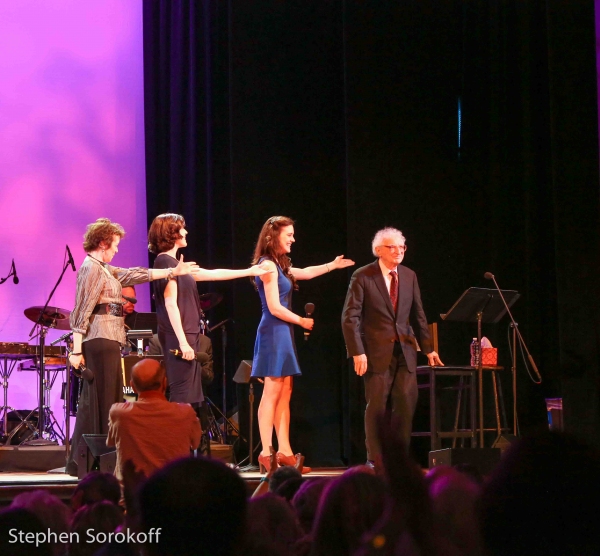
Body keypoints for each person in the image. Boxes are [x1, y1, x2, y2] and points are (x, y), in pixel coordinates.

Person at [67, 218, 199, 476]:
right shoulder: (90, 268)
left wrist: (172, 272)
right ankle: (88, 462)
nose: (117, 250)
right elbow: (81, 310)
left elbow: (134, 274)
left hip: (109, 339)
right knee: (100, 400)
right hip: (99, 339)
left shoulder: (104, 268)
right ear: (103, 243)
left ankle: (101, 462)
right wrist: (75, 349)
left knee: (109, 398)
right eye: (114, 245)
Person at [251, 216, 354, 473]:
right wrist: (301, 321)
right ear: (274, 236)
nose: (293, 239)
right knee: (272, 392)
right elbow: (274, 307)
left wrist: (332, 265)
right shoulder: (267, 266)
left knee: (285, 392)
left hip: (283, 332)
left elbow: (306, 273)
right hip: (273, 332)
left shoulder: (280, 264)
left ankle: (284, 450)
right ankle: (266, 452)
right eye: (289, 235)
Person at [148, 213, 270, 421]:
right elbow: (170, 304)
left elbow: (212, 273)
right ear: (170, 232)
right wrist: (183, 343)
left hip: (188, 335)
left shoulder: (177, 265)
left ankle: (183, 448)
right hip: (181, 337)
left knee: (188, 401)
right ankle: (175, 449)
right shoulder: (164, 263)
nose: (186, 232)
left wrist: (250, 270)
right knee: (181, 398)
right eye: (181, 228)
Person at [341, 227, 442, 466]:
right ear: (378, 250)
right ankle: (375, 459)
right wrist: (357, 351)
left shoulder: (409, 275)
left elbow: (418, 314)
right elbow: (350, 317)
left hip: (406, 351)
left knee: (405, 405)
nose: (398, 251)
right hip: (375, 352)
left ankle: (398, 460)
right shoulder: (363, 276)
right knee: (376, 406)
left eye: (402, 247)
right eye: (392, 247)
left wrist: (429, 348)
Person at [107, 358, 201, 480]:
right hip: (173, 495)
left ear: (133, 387)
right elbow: (196, 444)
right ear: (165, 383)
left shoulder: (118, 413)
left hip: (131, 497)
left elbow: (111, 442)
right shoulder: (186, 413)